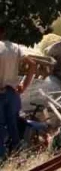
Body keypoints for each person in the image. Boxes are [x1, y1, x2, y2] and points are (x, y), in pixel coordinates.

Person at [0, 25, 33, 156]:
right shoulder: (15, 48)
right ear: (3, 32)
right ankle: (17, 155)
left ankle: (1, 159)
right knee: (13, 125)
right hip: (12, 93)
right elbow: (33, 64)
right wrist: (24, 85)